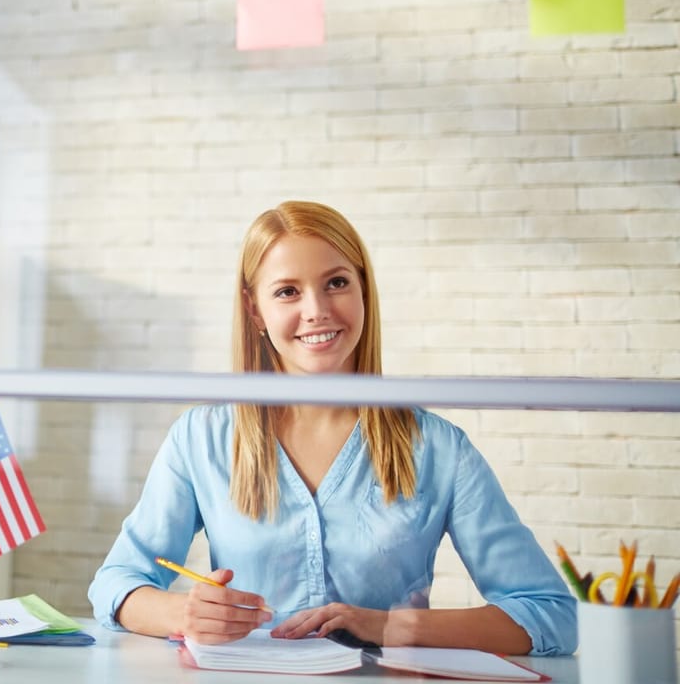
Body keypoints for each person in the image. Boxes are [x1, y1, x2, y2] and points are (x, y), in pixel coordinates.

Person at [87, 201, 576, 656]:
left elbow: (551, 615)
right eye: (287, 292)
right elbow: (115, 585)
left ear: (364, 290)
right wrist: (183, 612)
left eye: (337, 283)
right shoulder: (200, 438)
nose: (317, 309)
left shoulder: (439, 448)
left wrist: (388, 626)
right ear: (255, 309)